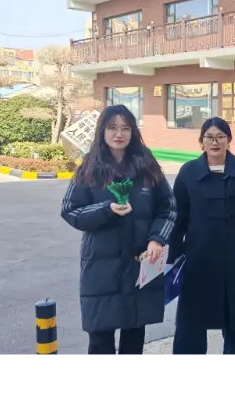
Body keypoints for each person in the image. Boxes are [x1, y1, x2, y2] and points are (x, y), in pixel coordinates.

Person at [61, 105, 176, 358]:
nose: (119, 134)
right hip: (101, 268)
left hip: (139, 264)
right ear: (102, 131)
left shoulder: (147, 166)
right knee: (100, 339)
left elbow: (168, 207)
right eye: (112, 127)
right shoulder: (89, 167)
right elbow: (70, 210)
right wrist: (107, 209)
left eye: (125, 128)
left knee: (134, 337)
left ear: (133, 131)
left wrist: (156, 240)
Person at [167, 117, 235, 358]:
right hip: (199, 259)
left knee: (234, 322)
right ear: (201, 142)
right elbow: (178, 217)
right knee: (191, 321)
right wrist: (172, 255)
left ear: (228, 140)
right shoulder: (188, 173)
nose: (215, 142)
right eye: (209, 137)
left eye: (220, 136)